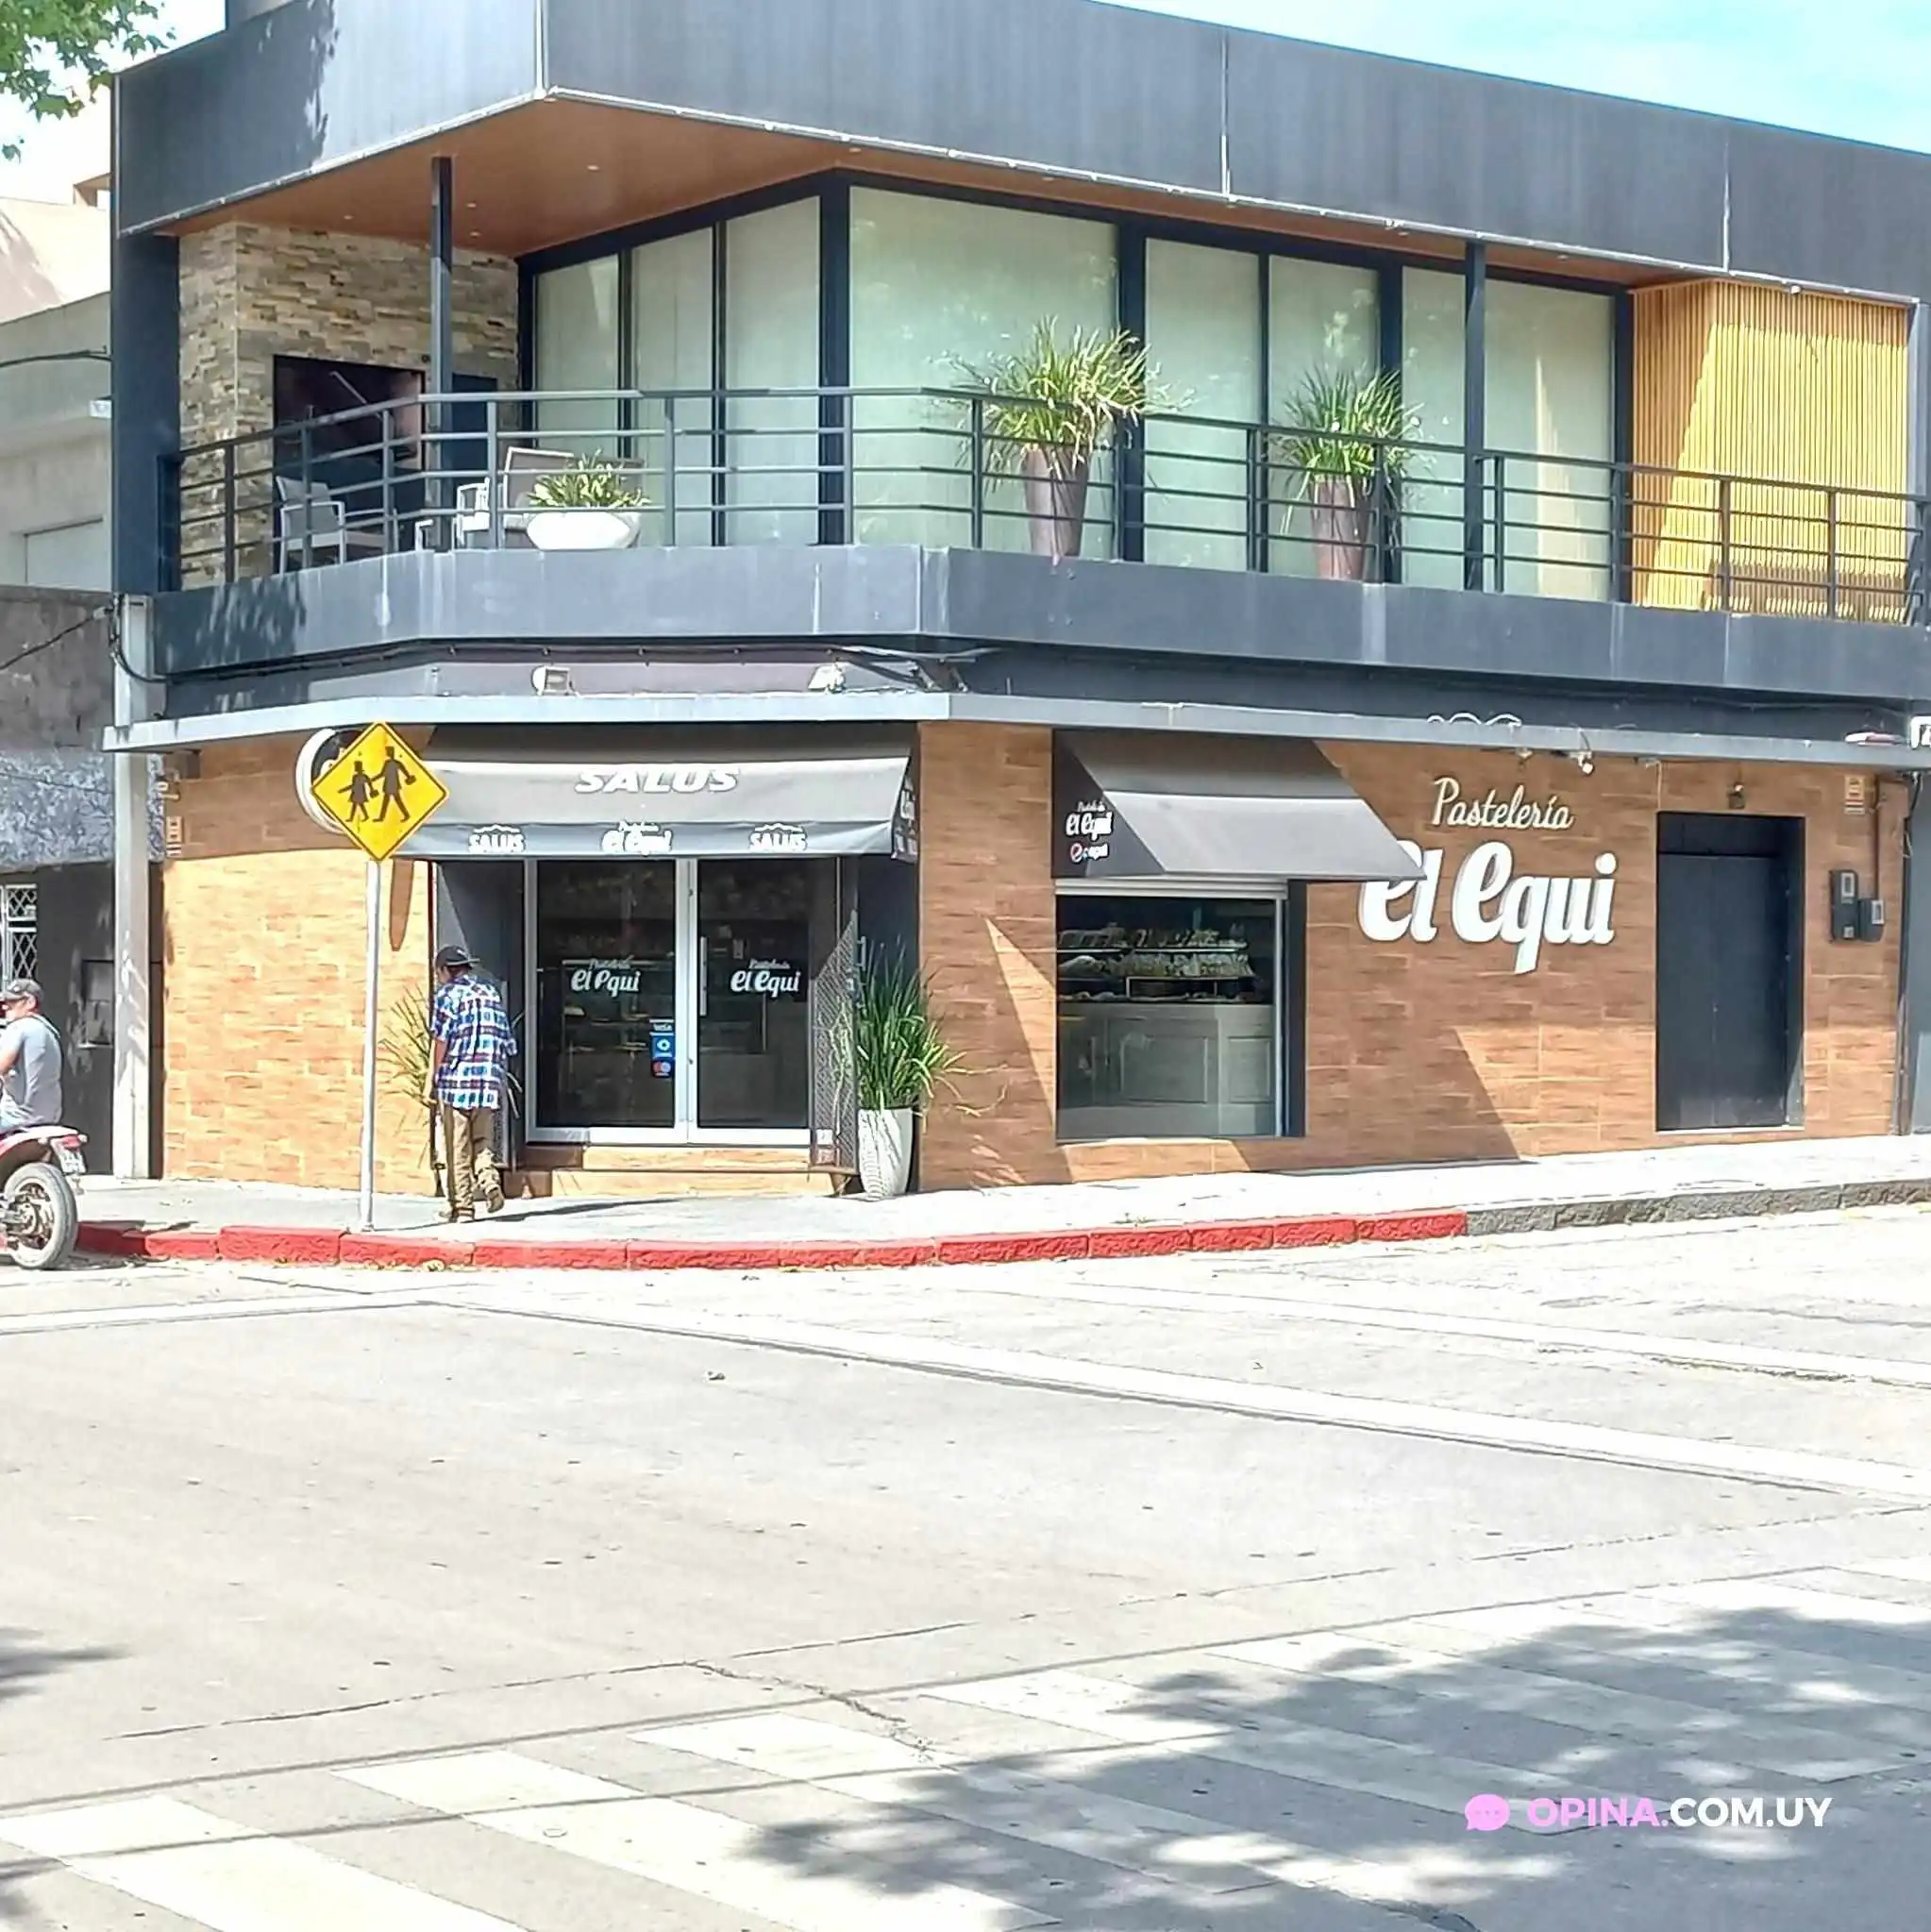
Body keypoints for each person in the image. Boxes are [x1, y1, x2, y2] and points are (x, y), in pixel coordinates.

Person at [427, 945, 513, 1221]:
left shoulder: (447, 996)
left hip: (456, 1082)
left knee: (457, 1146)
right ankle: (489, 1180)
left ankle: (462, 1207)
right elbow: (507, 1041)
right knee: (483, 1141)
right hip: (487, 1083)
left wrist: (434, 1076)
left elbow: (441, 1040)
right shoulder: (490, 993)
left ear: (445, 971)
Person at [0, 978, 62, 1133]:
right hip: (49, 1118)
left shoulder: (19, 1027)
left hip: (15, 1117)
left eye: (12, 1002)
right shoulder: (50, 1032)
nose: (5, 1006)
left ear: (30, 1002)